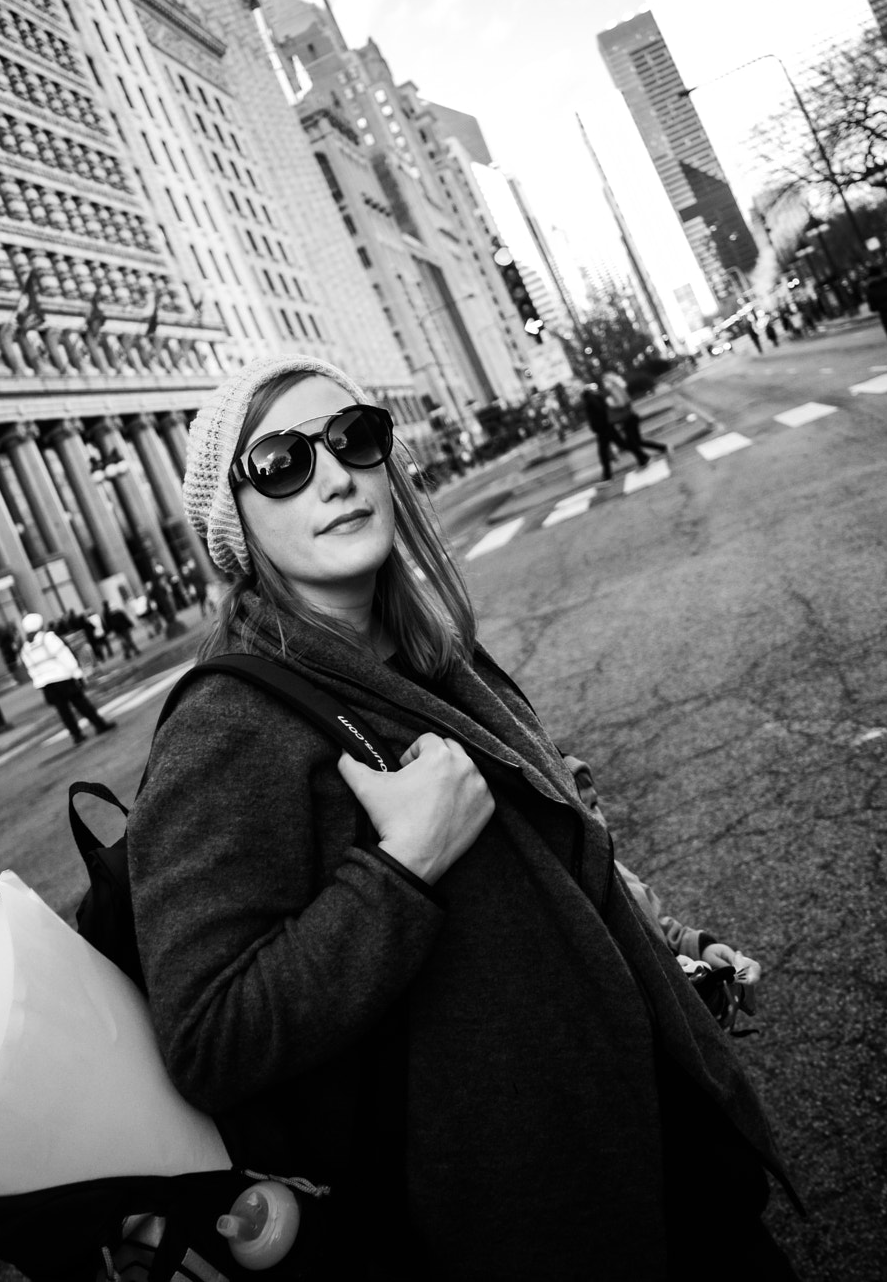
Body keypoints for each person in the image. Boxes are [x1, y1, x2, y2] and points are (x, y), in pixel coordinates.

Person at [134, 356, 795, 1277]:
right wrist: (401, 866)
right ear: (234, 523)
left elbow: (546, 878)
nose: (332, 474)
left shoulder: (438, 659)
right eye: (282, 461)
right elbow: (211, 1037)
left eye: (351, 438)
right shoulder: (231, 724)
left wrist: (671, 944)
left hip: (658, 1153)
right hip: (525, 1223)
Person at [17, 611, 113, 742]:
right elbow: (65, 655)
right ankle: (99, 725)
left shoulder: (25, 648)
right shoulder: (48, 638)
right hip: (63, 678)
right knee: (81, 703)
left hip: (46, 684)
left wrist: (39, 682)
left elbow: (31, 668)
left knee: (63, 711)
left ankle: (76, 735)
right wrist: (77, 673)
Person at [579, 382, 647, 483]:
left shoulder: (590, 398)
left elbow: (600, 410)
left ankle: (607, 476)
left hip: (604, 428)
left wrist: (599, 424)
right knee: (620, 446)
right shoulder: (593, 396)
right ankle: (642, 457)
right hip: (605, 427)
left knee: (605, 452)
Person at [602, 370, 668, 466]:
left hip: (628, 419)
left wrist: (611, 404)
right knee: (636, 442)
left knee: (632, 443)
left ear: (609, 381)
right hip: (629, 417)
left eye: (605, 381)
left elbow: (622, 403)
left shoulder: (614, 389)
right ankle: (657, 451)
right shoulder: (618, 387)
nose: (604, 384)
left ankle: (646, 458)